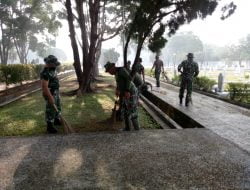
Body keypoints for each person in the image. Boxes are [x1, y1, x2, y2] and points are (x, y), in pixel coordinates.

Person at [104, 62, 140, 131]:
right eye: (108, 71)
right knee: (125, 110)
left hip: (131, 92)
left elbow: (129, 78)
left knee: (132, 110)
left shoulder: (121, 70)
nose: (109, 72)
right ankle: (127, 128)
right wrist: (117, 89)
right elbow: (119, 82)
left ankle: (137, 129)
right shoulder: (116, 74)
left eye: (109, 70)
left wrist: (127, 90)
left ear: (113, 67)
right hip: (125, 93)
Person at [40, 55, 61, 133]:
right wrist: (50, 97)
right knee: (50, 109)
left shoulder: (53, 69)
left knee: (57, 106)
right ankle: (50, 126)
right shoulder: (45, 73)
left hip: (56, 91)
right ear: (48, 63)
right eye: (54, 64)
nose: (55, 65)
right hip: (50, 92)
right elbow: (44, 87)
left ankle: (56, 120)